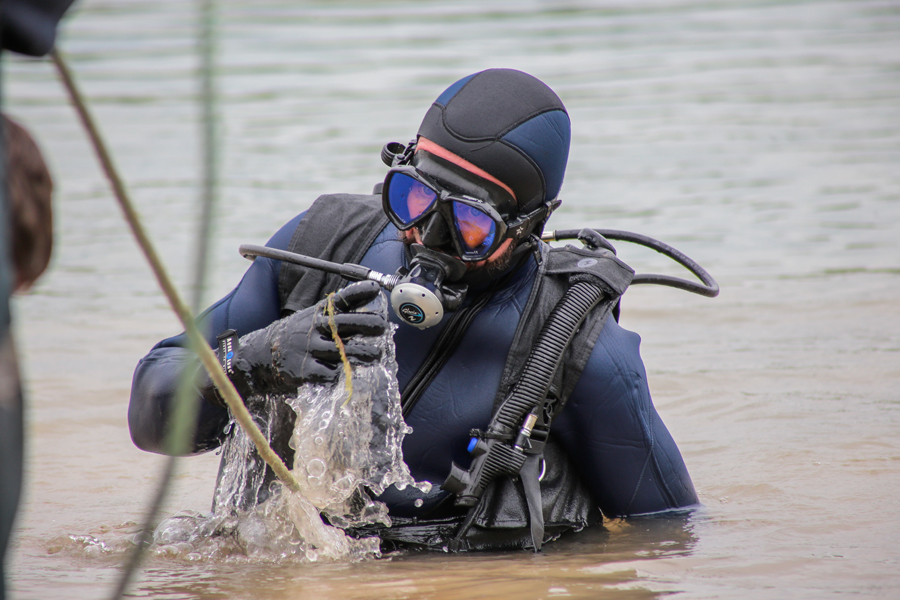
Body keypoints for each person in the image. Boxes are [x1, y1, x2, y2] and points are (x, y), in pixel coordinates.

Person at [128, 68, 699, 551]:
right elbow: (148, 419)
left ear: (531, 227)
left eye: (471, 226)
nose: (428, 235)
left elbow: (671, 537)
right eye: (413, 198)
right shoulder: (320, 248)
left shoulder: (581, 352)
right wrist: (254, 359)